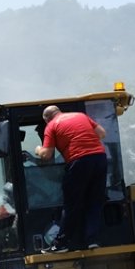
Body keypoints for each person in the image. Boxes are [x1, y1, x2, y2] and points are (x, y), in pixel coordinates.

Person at [34, 105, 108, 252]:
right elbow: (102, 134)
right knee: (94, 202)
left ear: (46, 119)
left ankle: (61, 244)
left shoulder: (52, 125)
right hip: (100, 159)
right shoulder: (81, 115)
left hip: (78, 162)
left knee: (71, 204)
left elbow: (47, 155)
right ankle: (92, 240)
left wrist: (38, 150)